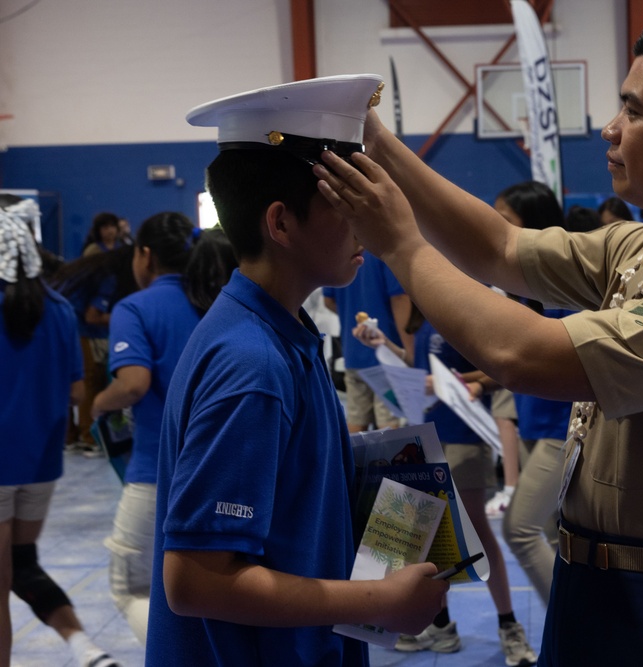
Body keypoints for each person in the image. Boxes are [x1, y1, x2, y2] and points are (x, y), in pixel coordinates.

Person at [316, 21, 643, 666]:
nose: (610, 128)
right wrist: (377, 143)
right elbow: (497, 247)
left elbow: (525, 356)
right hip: (599, 579)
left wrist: (399, 246)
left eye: (632, 111)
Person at [145, 74, 447, 667]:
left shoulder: (285, 333)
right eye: (345, 205)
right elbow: (196, 581)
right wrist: (379, 600)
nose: (366, 222)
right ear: (280, 223)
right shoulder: (250, 364)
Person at [353, 304, 538, 665]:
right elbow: (418, 363)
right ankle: (440, 623)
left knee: (476, 532)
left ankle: (508, 624)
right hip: (426, 431)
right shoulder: (422, 312)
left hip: (463, 435)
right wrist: (385, 345)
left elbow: (493, 370)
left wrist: (442, 383)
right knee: (427, 531)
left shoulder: (462, 308)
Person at [90, 215, 237, 644]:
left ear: (145, 254)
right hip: (222, 476)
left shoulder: (134, 308)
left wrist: (98, 404)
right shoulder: (215, 302)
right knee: (208, 589)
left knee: (132, 589)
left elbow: (133, 384)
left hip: (156, 474)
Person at [0, 210, 120, 667]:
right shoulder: (57, 308)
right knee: (22, 566)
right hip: (41, 467)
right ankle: (85, 648)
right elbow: (75, 391)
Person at [490, 182, 575, 605]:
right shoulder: (519, 285)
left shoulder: (561, 287)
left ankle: (570, 633)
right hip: (533, 420)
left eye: (506, 218)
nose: (494, 224)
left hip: (560, 429)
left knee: (518, 530)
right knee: (551, 535)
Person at [51, 246, 138, 453]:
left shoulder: (94, 272)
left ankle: (70, 437)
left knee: (74, 383)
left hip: (68, 327)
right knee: (88, 382)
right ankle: (89, 438)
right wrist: (127, 317)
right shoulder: (109, 278)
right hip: (79, 330)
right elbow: (93, 316)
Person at [322, 250, 411, 432]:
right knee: (389, 424)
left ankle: (353, 462)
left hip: (353, 354)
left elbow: (328, 300)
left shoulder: (340, 254)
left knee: (356, 419)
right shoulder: (384, 252)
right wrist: (409, 348)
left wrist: (355, 323)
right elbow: (400, 297)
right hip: (386, 355)